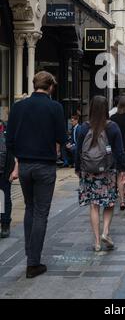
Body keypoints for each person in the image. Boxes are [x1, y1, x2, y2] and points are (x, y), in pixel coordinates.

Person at [5, 71, 67, 279]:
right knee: (41, 212)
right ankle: (33, 262)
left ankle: (29, 253)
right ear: (50, 86)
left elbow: (10, 139)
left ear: (34, 85)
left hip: (24, 166)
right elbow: (62, 136)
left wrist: (17, 160)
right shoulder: (55, 107)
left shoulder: (18, 107)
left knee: (30, 208)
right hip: (45, 166)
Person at [75, 96, 125, 252]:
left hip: (88, 172)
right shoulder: (112, 127)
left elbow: (78, 151)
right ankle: (105, 232)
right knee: (109, 202)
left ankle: (97, 241)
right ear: (106, 109)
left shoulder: (83, 128)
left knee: (94, 205)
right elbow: (119, 151)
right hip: (108, 171)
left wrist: (77, 169)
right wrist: (123, 169)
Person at [0, 126, 18, 238]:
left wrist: (14, 170)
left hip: (4, 174)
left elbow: (14, 155)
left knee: (5, 199)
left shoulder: (7, 136)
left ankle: (5, 225)